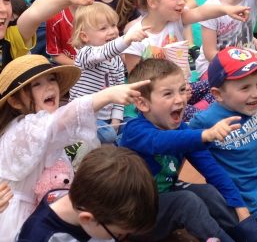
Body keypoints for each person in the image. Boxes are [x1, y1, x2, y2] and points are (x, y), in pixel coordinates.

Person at [0, 54, 150, 241]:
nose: (48, 86)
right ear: (15, 102)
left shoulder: (42, 126)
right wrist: (107, 95)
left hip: (47, 209)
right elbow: (61, 121)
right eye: (35, 85)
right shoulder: (21, 130)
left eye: (51, 79)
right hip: (19, 219)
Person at [119, 58, 257, 242]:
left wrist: (240, 208)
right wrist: (205, 135)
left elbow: (212, 170)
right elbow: (160, 142)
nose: (180, 99)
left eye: (182, 90)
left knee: (208, 192)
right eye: (168, 94)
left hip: (164, 201)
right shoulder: (134, 130)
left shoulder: (182, 130)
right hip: (134, 215)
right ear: (143, 104)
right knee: (187, 202)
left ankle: (252, 237)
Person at [190, 46, 257, 242]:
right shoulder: (204, 123)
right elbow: (179, 144)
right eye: (245, 87)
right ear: (217, 94)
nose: (256, 93)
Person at [122, 0, 249, 73]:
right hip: (157, 97)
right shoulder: (135, 37)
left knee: (221, 91)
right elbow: (135, 80)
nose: (182, 1)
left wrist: (226, 9)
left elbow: (202, 12)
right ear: (152, 2)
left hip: (184, 88)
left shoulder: (177, 19)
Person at [16, 145, 158, 241]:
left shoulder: (81, 197)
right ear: (86, 219)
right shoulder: (39, 236)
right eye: (117, 235)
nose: (121, 237)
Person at [69, 2, 148, 144]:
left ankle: (118, 141)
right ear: (85, 36)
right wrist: (126, 39)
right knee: (108, 135)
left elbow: (119, 90)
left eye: (113, 25)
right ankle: (116, 143)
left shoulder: (116, 60)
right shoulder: (85, 54)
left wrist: (116, 121)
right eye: (103, 28)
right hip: (83, 118)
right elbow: (103, 52)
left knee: (135, 124)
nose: (112, 31)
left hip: (106, 119)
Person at [45, 0, 96, 65]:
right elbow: (55, 54)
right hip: (71, 69)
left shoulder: (99, 13)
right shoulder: (55, 18)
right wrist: (80, 66)